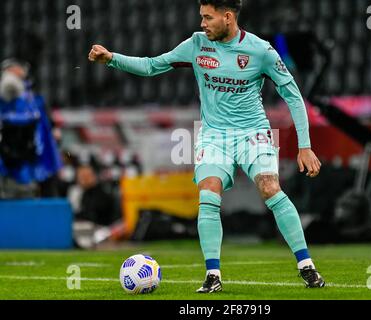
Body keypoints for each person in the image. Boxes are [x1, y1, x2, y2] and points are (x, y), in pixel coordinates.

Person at [88, 0, 324, 291]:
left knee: (269, 187)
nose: (202, 23)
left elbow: (292, 95)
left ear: (227, 17)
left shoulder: (260, 50)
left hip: (253, 132)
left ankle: (306, 266)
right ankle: (213, 276)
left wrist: (305, 146)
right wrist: (112, 58)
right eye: (201, 17)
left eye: (207, 17)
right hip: (214, 136)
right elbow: (152, 66)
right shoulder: (196, 45)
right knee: (208, 195)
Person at [0, 58, 62, 198]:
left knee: (42, 187)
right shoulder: (6, 94)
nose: (19, 72)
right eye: (11, 69)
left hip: (34, 151)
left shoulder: (33, 98)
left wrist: (52, 129)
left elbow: (45, 120)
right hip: (9, 153)